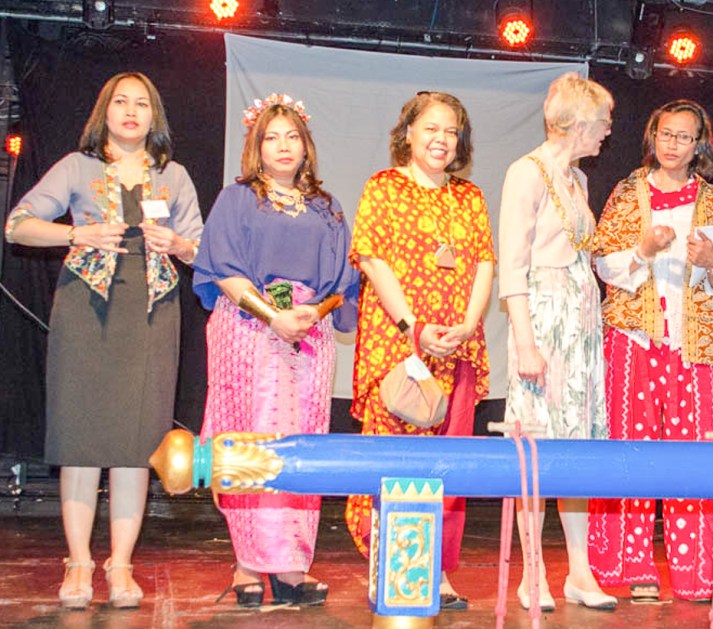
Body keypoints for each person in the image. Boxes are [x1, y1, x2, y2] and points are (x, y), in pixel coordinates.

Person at [3, 72, 202, 609]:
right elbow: (17, 226)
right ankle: (79, 563)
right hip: (86, 307)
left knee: (138, 443)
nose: (132, 111)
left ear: (155, 117)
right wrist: (76, 232)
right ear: (104, 112)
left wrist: (178, 242)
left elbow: (204, 253)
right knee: (82, 437)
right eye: (121, 102)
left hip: (154, 310)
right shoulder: (76, 167)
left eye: (143, 104)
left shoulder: (175, 176)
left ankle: (120, 566)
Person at [192, 93, 358, 607]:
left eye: (292, 137)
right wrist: (274, 316)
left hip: (308, 333)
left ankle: (290, 564)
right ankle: (247, 564)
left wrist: (314, 313)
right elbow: (223, 270)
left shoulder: (326, 207)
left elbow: (344, 282)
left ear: (306, 146)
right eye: (272, 137)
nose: (283, 146)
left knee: (300, 440)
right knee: (252, 439)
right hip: (251, 327)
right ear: (256, 146)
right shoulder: (237, 198)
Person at [344, 91, 494, 611]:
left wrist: (470, 325)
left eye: (451, 131)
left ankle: (438, 572)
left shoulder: (469, 197)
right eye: (431, 128)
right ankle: (392, 565)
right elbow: (373, 259)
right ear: (407, 132)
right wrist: (414, 327)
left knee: (446, 464)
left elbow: (483, 265)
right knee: (394, 459)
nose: (441, 139)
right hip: (399, 343)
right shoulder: (383, 188)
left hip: (456, 345)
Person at [586, 99, 713, 602]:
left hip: (691, 345)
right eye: (667, 135)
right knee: (630, 454)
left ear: (700, 145)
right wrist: (643, 252)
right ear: (653, 137)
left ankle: (695, 575)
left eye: (685, 137)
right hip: (633, 340)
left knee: (693, 458)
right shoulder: (627, 193)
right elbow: (604, 264)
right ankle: (628, 570)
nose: (674, 145)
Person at [498, 72, 618, 612]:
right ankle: (532, 573)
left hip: (580, 316)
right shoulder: (526, 173)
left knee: (577, 446)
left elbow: (584, 253)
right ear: (577, 122)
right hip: (543, 318)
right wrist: (525, 342)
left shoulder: (577, 180)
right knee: (537, 444)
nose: (607, 132)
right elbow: (514, 267)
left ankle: (580, 571)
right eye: (602, 122)